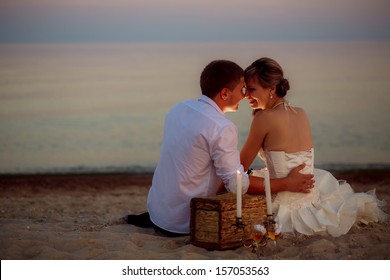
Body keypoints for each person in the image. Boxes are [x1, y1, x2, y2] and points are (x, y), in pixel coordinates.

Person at [127, 60, 314, 237]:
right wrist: (286, 183)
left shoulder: (178, 108)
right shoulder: (221, 127)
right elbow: (236, 184)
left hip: (158, 213)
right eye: (242, 89)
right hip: (188, 221)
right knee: (238, 181)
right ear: (225, 94)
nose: (245, 95)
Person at [240, 57, 389, 237]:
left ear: (271, 88)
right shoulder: (301, 113)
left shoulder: (263, 118)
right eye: (245, 89)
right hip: (310, 199)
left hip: (282, 207)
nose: (246, 95)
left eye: (252, 89)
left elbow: (240, 168)